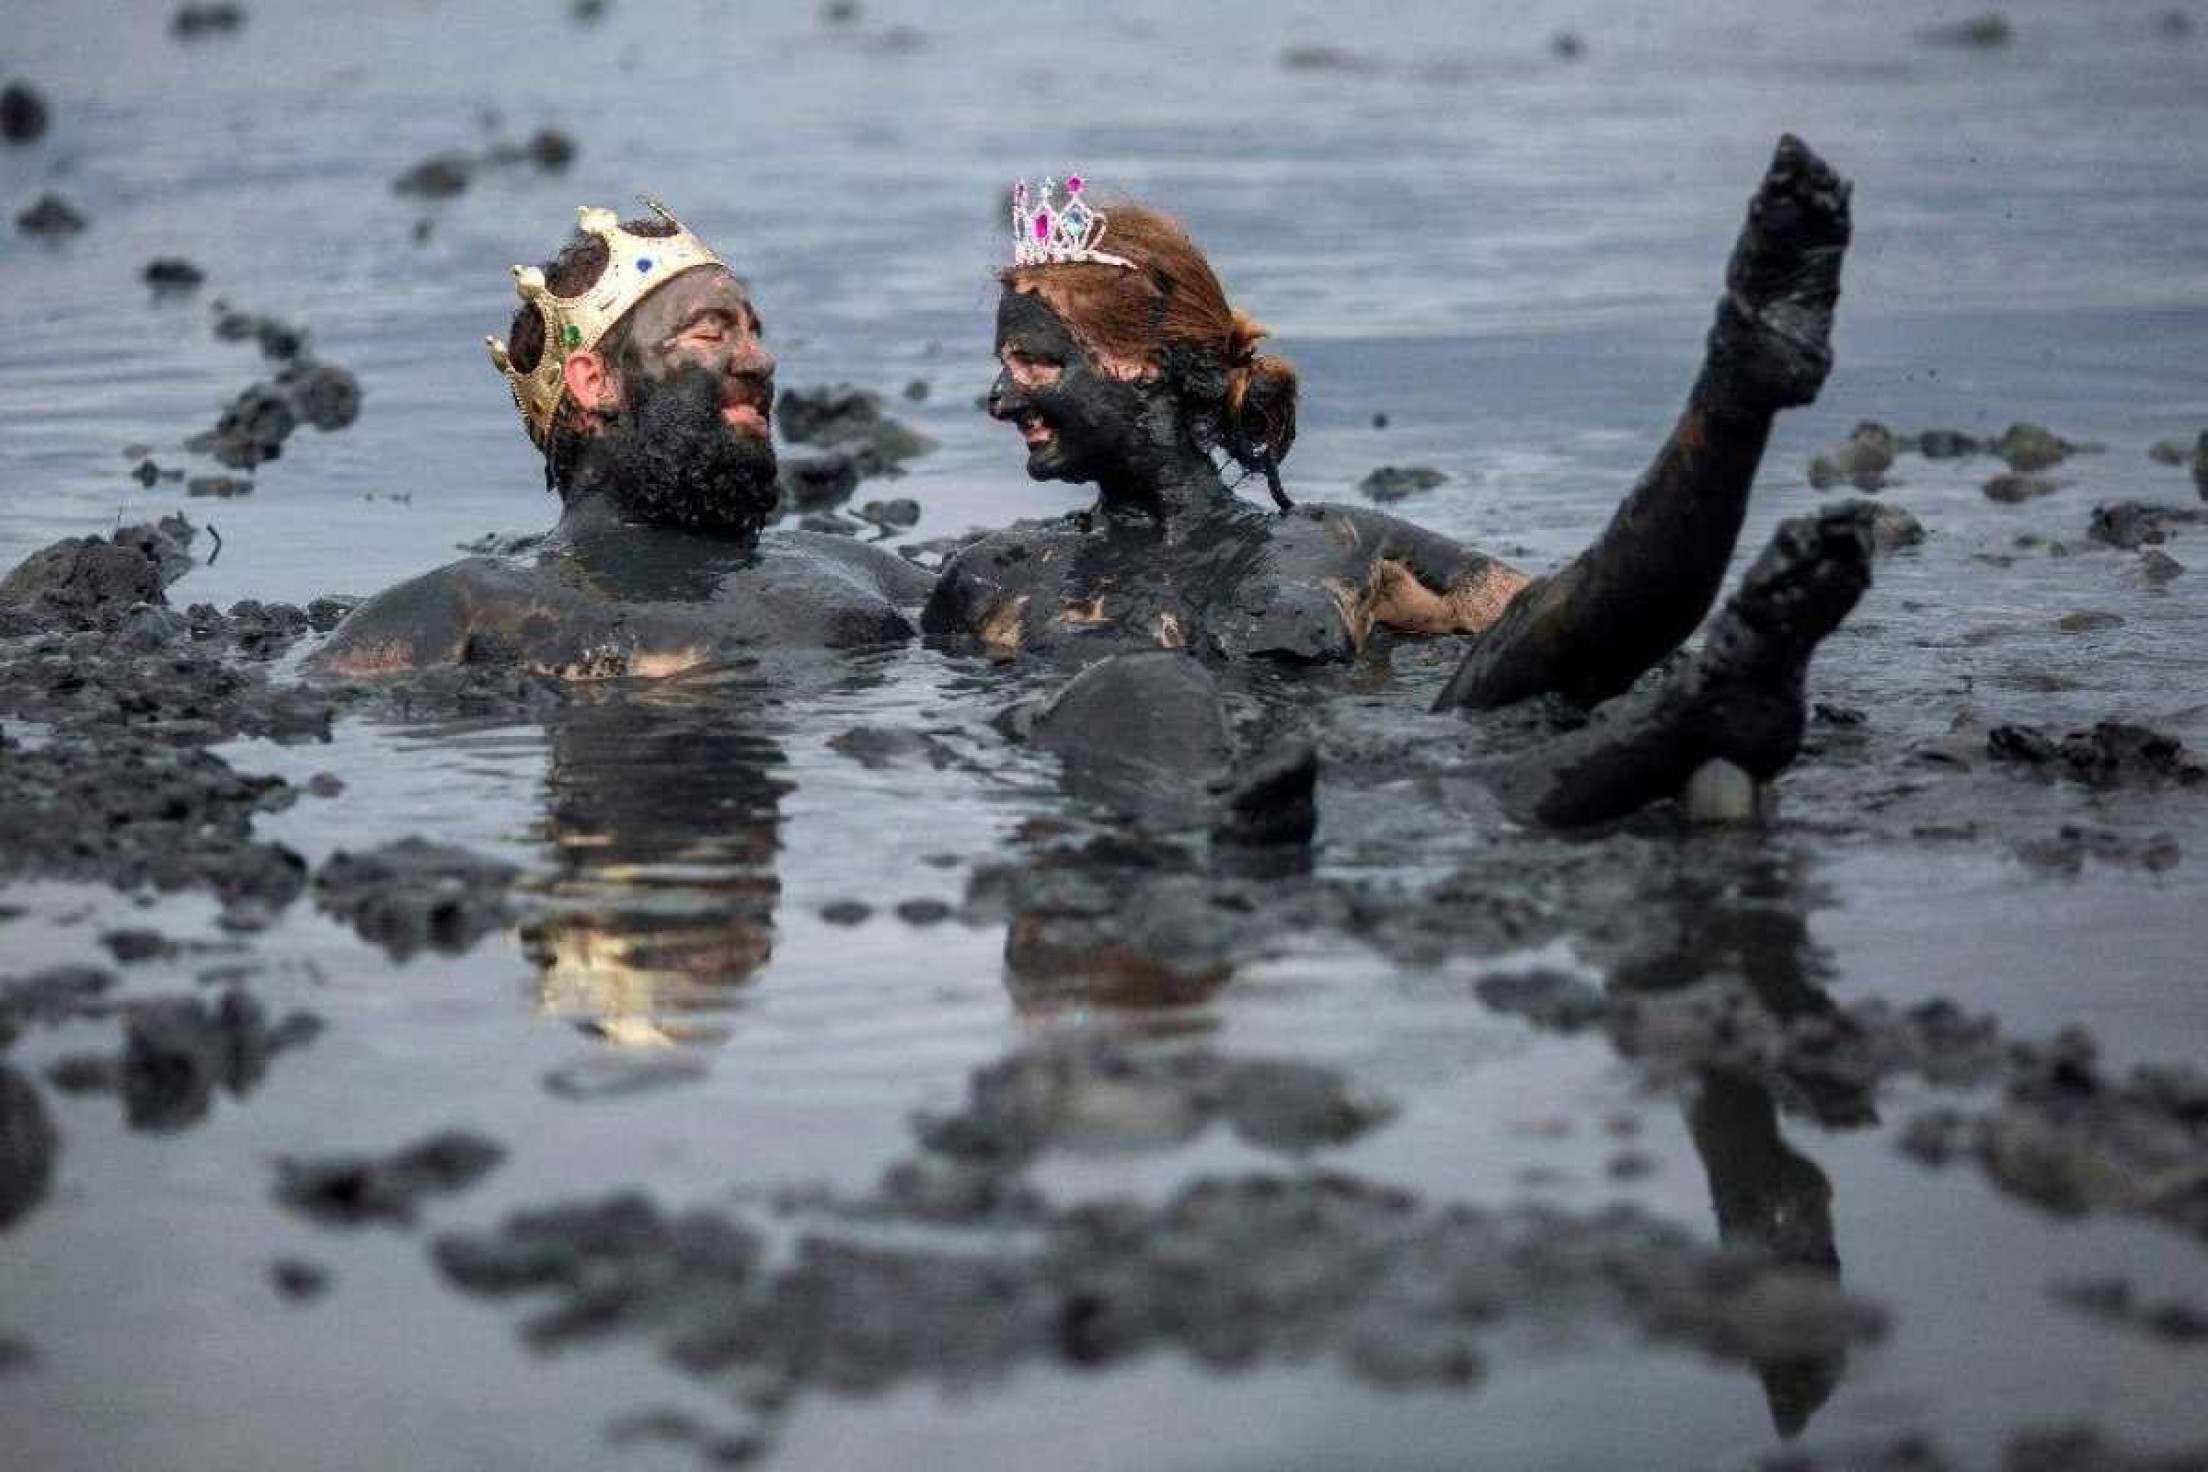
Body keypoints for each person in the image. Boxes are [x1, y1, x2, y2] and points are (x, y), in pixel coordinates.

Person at [925, 139, 1873, 826]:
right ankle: (1694, 716)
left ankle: (1736, 390)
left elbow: (1571, 620)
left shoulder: (1342, 545)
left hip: (1343, 786)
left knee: (1524, 655)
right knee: (1140, 684)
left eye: (1034, 364)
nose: (1002, 399)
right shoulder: (993, 580)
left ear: (1142, 361)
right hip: (1204, 812)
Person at [311, 200, 930, 679]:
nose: (760, 360)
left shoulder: (864, 573)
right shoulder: (467, 609)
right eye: (711, 335)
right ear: (595, 381)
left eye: (754, 332)